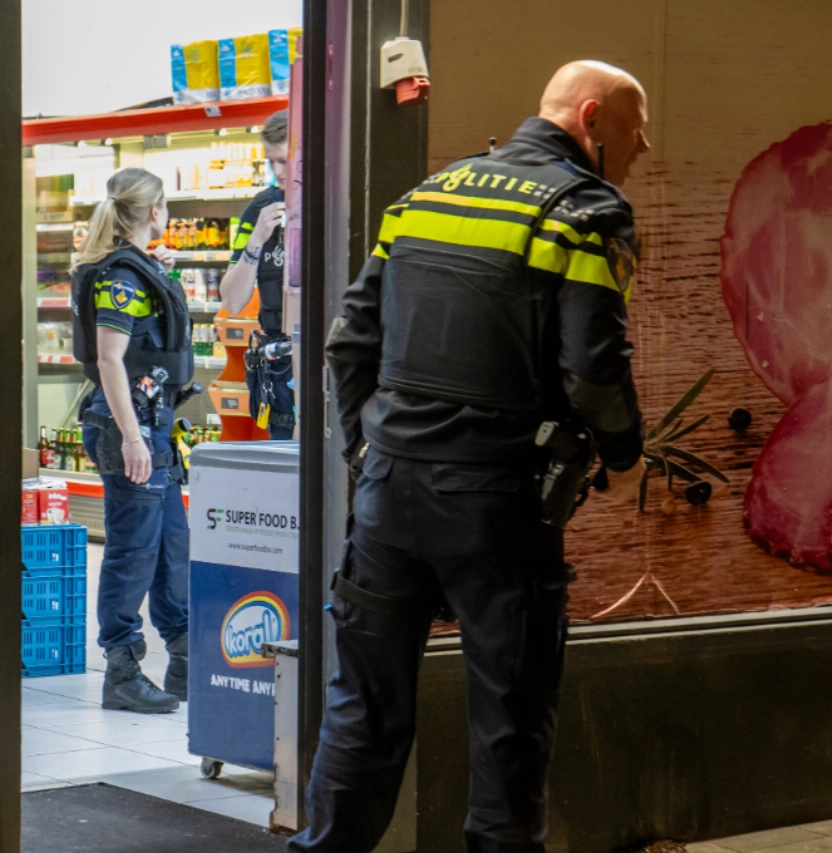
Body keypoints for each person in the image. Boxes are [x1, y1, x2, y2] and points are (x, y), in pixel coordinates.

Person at [291, 61, 652, 852]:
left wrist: (369, 451)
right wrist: (626, 458)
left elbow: (348, 343)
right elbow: (594, 367)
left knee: (362, 711)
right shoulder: (586, 211)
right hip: (498, 508)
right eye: (635, 125)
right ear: (592, 118)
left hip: (388, 499)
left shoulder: (427, 195)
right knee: (510, 723)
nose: (644, 143)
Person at [71, 168, 195, 714]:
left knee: (171, 546)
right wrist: (131, 438)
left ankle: (186, 660)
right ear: (153, 211)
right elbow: (109, 359)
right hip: (131, 428)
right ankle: (121, 670)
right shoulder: (119, 278)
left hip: (154, 424)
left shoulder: (137, 270)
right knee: (133, 551)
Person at [220, 110, 295, 439]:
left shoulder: (337, 201)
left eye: (285, 161)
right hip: (280, 371)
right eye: (271, 162)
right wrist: (256, 241)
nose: (277, 172)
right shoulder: (259, 209)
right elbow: (233, 301)